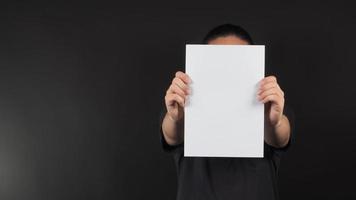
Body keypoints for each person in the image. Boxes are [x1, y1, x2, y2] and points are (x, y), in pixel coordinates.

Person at [160, 24, 294, 200]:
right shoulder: (185, 105)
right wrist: (176, 118)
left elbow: (280, 138)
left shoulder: (269, 104)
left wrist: (273, 122)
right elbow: (172, 135)